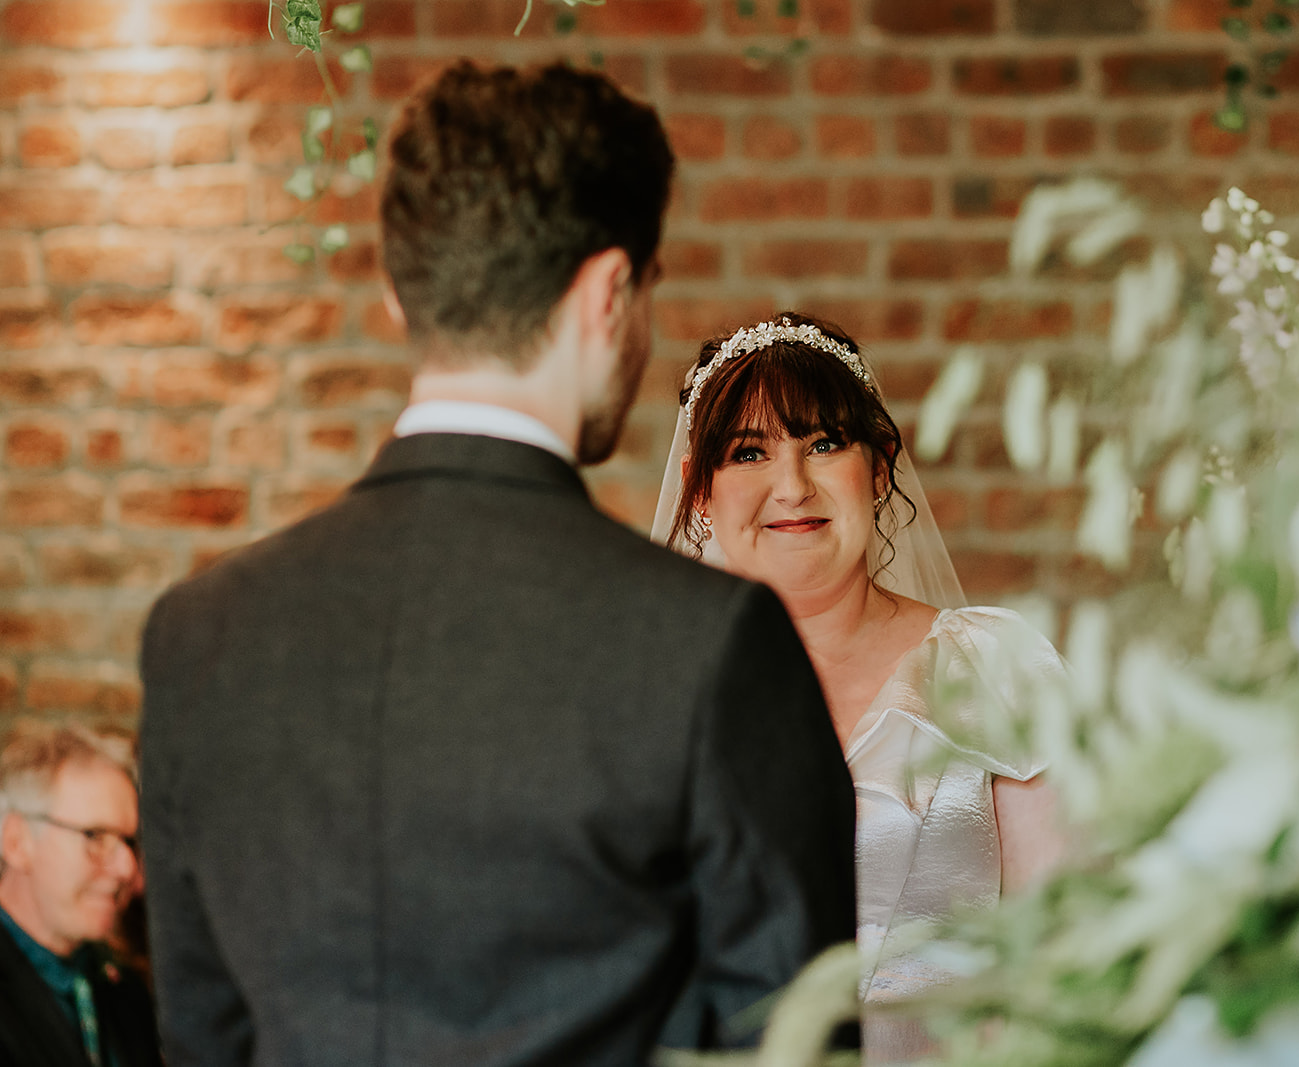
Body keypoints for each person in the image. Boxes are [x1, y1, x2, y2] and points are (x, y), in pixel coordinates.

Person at [138, 63, 857, 1067]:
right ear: (609, 292)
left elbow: (201, 1038)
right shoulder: (706, 640)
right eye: (648, 289)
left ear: (397, 295)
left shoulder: (198, 633)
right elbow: (791, 1044)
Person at [652, 313, 1071, 1062]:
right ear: (700, 489)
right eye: (749, 451)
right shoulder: (656, 701)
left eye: (824, 443)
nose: (792, 485)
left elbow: (1072, 949)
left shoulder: (992, 666)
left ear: (878, 469)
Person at [0, 720, 160, 1067]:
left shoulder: (125, 991)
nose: (126, 868)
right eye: (96, 836)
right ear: (16, 841)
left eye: (130, 842)